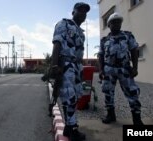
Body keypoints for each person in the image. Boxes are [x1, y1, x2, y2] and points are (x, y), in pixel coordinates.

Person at [50, 2, 90, 141]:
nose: (83, 14)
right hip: (66, 65)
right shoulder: (64, 24)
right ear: (73, 12)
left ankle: (67, 127)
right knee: (69, 97)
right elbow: (57, 43)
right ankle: (73, 130)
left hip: (77, 67)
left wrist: (81, 68)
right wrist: (54, 65)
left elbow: (79, 52)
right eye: (80, 10)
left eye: (85, 12)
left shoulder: (80, 32)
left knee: (76, 97)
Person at [98, 12, 144, 125]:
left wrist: (135, 68)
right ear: (109, 25)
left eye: (119, 22)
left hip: (124, 69)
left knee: (132, 92)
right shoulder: (104, 40)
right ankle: (111, 115)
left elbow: (134, 51)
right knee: (108, 92)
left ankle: (137, 119)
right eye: (114, 22)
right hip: (109, 69)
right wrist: (101, 70)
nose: (117, 24)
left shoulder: (128, 36)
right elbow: (100, 55)